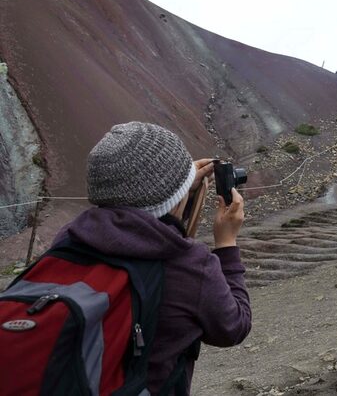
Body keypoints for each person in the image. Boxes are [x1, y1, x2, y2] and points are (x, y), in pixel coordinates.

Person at [50, 122, 252, 393]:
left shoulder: (70, 238)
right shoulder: (187, 263)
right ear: (176, 197)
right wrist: (226, 243)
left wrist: (173, 185)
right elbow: (233, 327)